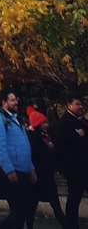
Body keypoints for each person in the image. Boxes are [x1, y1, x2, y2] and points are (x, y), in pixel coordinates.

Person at [0, 90, 37, 229]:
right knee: (19, 207)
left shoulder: (16, 118)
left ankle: (2, 227)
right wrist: (9, 170)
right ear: (4, 103)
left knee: (25, 205)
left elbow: (24, 144)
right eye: (12, 100)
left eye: (16, 99)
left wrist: (30, 167)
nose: (16, 102)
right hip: (9, 168)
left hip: (22, 168)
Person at [26, 107, 65, 228]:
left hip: (47, 176)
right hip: (38, 177)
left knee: (55, 206)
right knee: (32, 207)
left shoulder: (46, 136)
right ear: (38, 124)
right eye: (44, 122)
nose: (46, 125)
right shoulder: (33, 138)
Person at [54, 95, 88, 229]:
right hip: (74, 167)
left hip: (83, 165)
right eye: (77, 104)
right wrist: (76, 136)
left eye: (81, 104)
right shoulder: (64, 122)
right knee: (74, 197)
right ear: (69, 105)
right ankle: (71, 225)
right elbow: (61, 143)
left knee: (75, 196)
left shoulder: (81, 121)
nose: (81, 107)